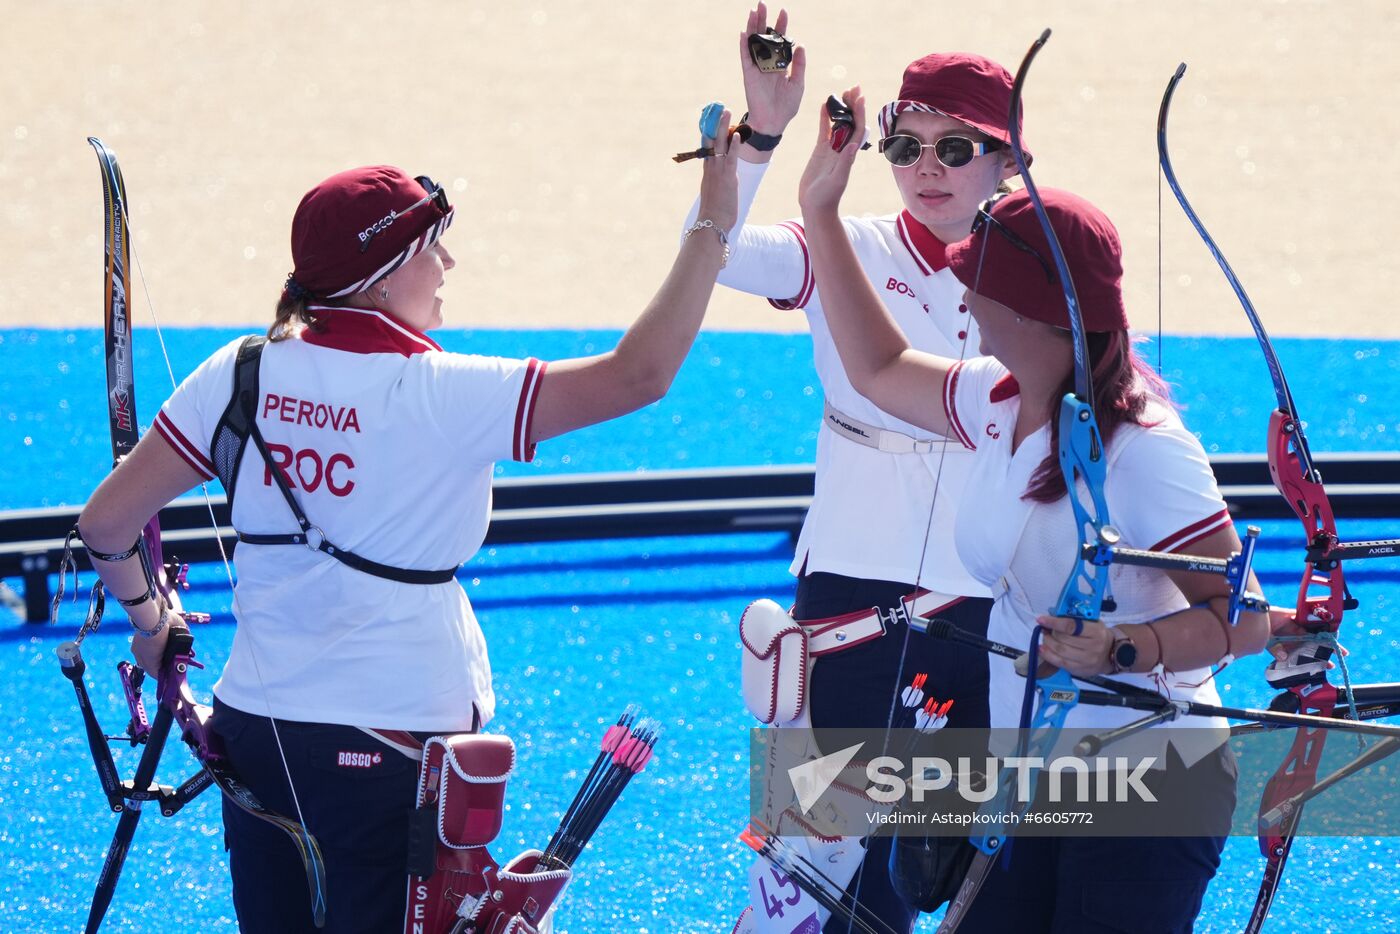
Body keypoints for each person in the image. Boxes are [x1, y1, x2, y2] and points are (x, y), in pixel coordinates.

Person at [74, 118, 739, 933]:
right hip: (392, 748)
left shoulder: (239, 369)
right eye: (433, 246)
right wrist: (716, 207)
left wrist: (152, 622)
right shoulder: (441, 390)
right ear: (383, 276)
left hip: (254, 736)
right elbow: (642, 373)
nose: (449, 264)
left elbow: (106, 524)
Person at [796, 86, 1275, 932]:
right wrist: (820, 213)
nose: (962, 301)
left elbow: (1244, 621)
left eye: (975, 285)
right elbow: (874, 368)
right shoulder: (995, 399)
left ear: (1032, 310)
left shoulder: (1145, 449)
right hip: (1029, 775)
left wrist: (1127, 645)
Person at [691, 7, 1025, 929]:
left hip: (981, 593)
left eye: (958, 147)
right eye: (906, 144)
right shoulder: (848, 240)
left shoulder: (1044, 269)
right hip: (848, 575)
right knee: (808, 842)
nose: (927, 166)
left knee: (928, 865)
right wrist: (761, 134)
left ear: (1011, 160)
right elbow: (709, 250)